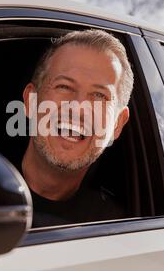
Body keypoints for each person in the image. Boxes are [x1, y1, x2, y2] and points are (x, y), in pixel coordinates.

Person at [21, 29, 134, 227]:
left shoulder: (116, 231)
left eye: (99, 95)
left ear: (117, 124)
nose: (77, 109)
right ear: (31, 100)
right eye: (64, 87)